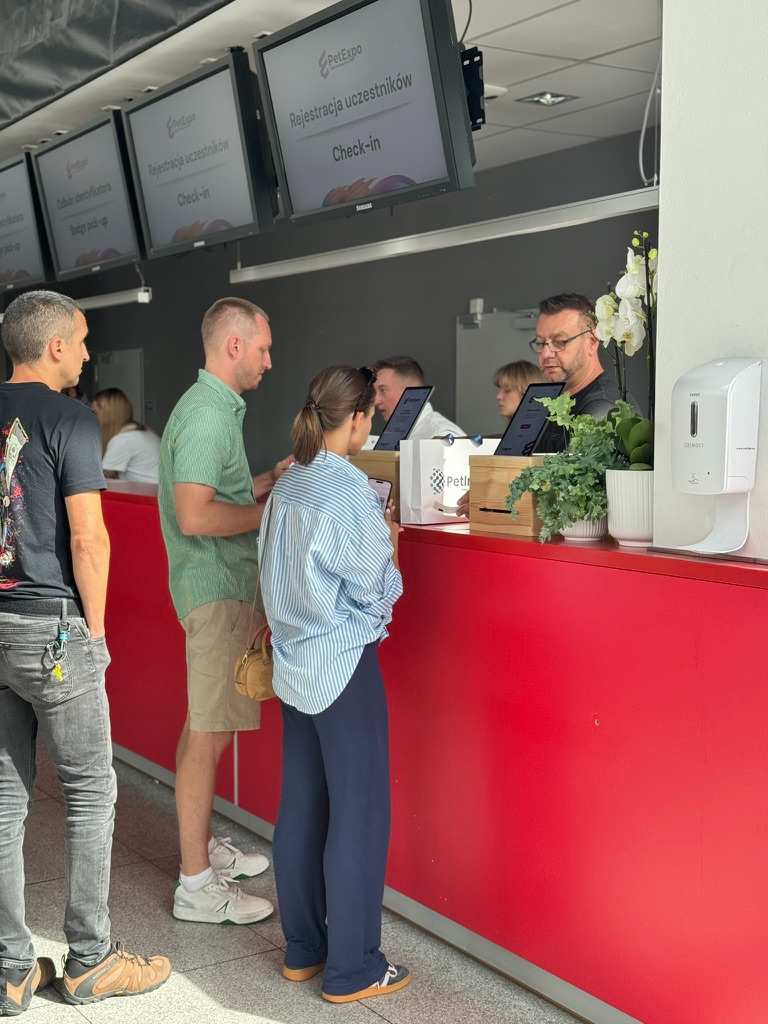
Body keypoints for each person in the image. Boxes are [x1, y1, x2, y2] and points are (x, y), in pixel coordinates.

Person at [0, 290, 170, 1015]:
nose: (89, 353)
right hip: (55, 630)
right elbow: (89, 538)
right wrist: (96, 636)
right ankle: (91, 960)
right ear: (54, 347)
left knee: (5, 797)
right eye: (83, 339)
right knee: (90, 791)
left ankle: (9, 971)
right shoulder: (69, 418)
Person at [259, 366, 410, 1004]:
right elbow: (378, 588)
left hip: (293, 667)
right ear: (356, 420)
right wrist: (394, 547)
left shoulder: (289, 483)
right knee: (361, 813)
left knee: (302, 806)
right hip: (343, 666)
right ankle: (352, 968)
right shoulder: (347, 490)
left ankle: (304, 949)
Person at [159, 297, 291, 926]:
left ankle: (199, 848)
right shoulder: (211, 414)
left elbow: (219, 495)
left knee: (201, 727)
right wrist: (270, 512)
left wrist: (266, 480)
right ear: (233, 346)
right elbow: (195, 515)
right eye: (263, 348)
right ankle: (196, 885)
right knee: (207, 737)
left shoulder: (210, 408)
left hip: (214, 587)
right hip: (217, 588)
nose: (270, 360)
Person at [532, 293, 626, 452]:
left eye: (560, 342)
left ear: (591, 342)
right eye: (541, 343)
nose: (546, 354)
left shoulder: (603, 408)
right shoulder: (552, 401)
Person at [456, 360, 544, 517]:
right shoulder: (510, 438)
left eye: (507, 390)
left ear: (527, 393)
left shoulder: (545, 440)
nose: (499, 396)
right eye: (499, 390)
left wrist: (484, 504)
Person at [373, 355, 463, 439]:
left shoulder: (443, 436)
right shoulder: (392, 437)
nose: (376, 401)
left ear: (410, 392)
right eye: (374, 392)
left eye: (383, 390)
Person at [91, 388, 161, 484]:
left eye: (94, 413)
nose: (91, 418)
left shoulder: (123, 440)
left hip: (151, 496)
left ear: (109, 415)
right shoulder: (141, 431)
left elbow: (100, 480)